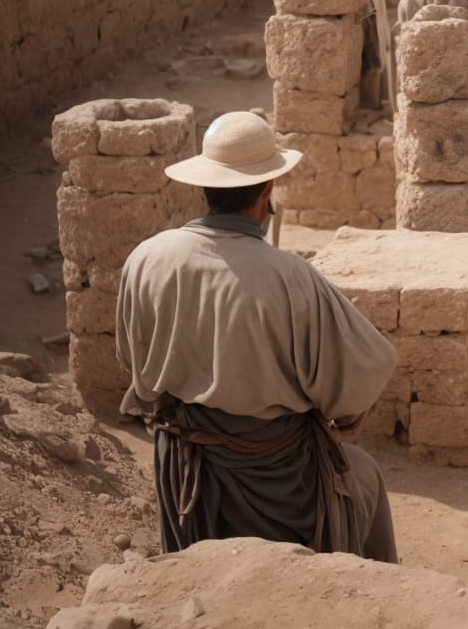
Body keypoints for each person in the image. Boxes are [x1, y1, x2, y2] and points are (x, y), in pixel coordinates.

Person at [116, 112, 398, 561]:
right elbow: (354, 389)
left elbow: (135, 368)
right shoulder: (293, 277)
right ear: (268, 191)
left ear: (204, 187)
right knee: (364, 477)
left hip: (184, 470)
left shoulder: (146, 259)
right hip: (282, 476)